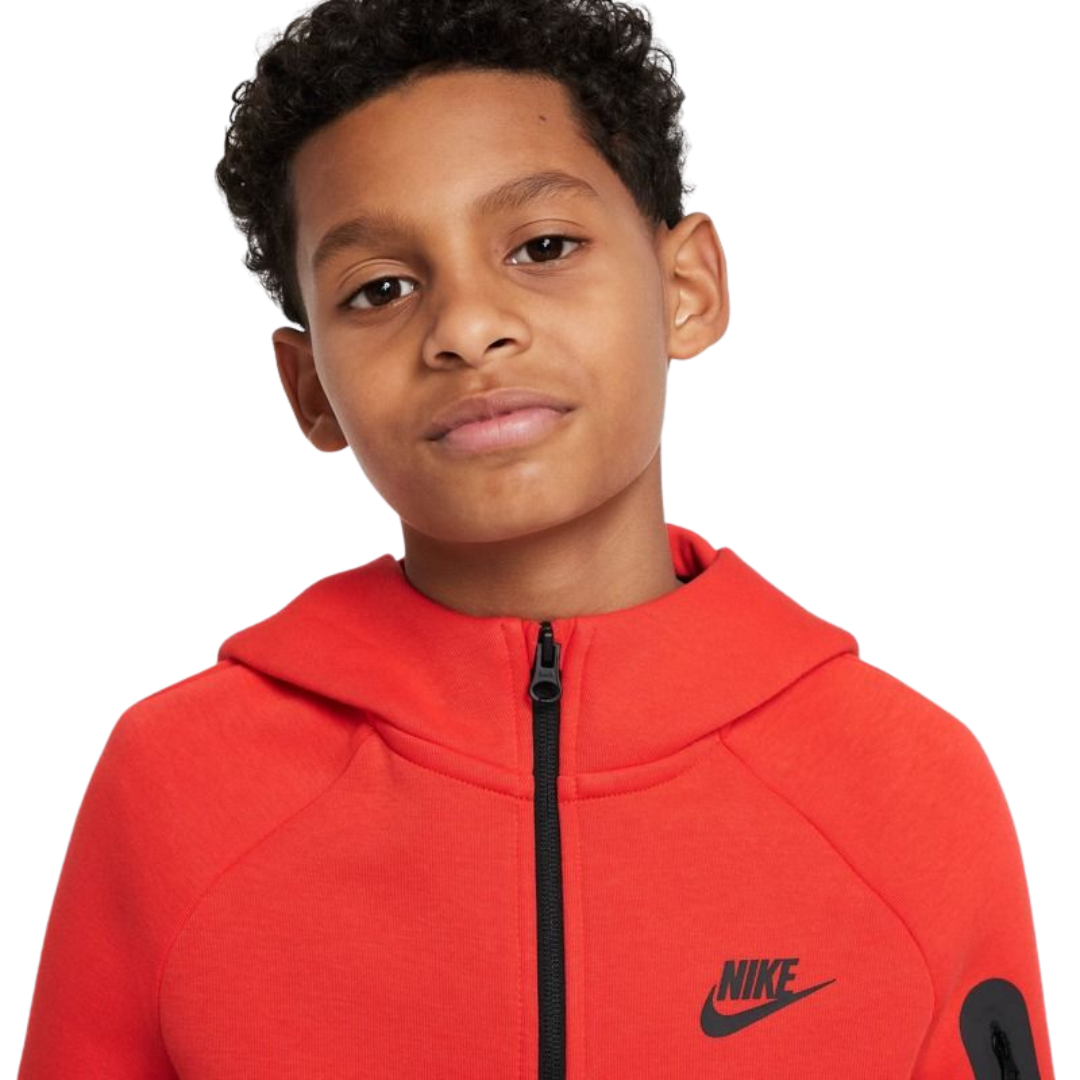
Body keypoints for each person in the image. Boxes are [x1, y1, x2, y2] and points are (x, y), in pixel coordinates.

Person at [16, 0, 1056, 1076]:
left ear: (686, 289)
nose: (467, 328)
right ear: (309, 386)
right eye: (380, 289)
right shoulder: (178, 789)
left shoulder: (906, 789)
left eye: (543, 247)